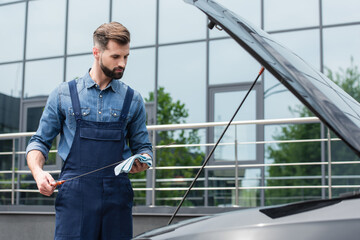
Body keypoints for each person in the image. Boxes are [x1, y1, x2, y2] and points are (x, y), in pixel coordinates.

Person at [26, 22, 153, 240]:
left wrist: (143, 161)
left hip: (117, 201)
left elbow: (144, 148)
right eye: (115, 57)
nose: (122, 63)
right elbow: (39, 141)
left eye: (126, 57)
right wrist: (38, 174)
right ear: (96, 52)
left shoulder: (133, 100)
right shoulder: (63, 94)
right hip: (75, 200)